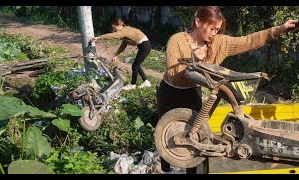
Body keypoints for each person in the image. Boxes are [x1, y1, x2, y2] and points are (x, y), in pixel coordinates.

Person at [157, 6, 298, 174]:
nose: (214, 33)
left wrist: (280, 29)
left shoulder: (219, 43)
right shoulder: (177, 40)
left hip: (191, 92)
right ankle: (165, 170)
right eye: (211, 28)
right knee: (164, 134)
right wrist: (193, 59)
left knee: (196, 135)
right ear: (198, 22)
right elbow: (173, 75)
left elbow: (248, 41)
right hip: (170, 91)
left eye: (217, 30)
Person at [91, 18, 152, 91]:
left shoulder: (124, 30)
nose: (114, 30)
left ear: (119, 25)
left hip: (145, 46)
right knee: (136, 65)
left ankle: (133, 84)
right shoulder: (125, 32)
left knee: (135, 65)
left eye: (115, 28)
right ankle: (146, 82)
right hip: (143, 46)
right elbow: (123, 45)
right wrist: (116, 55)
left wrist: (99, 37)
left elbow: (113, 35)